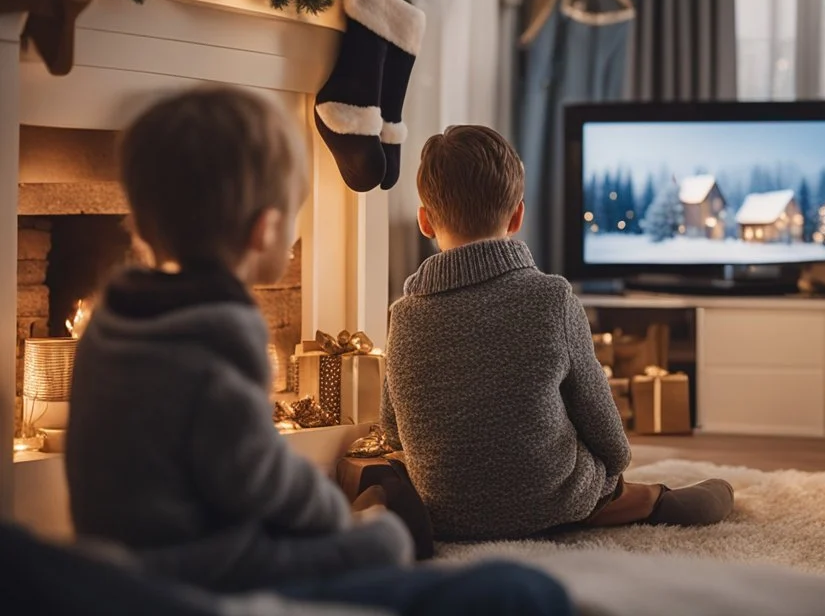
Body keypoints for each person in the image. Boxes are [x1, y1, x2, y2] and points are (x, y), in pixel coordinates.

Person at [66, 86, 572, 616]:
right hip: (208, 579)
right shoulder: (220, 334)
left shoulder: (108, 325)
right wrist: (333, 513)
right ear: (265, 232)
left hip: (120, 563)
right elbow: (260, 478)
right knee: (455, 568)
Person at [381, 124, 734, 541]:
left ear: (425, 221)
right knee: (655, 491)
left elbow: (391, 428)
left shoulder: (402, 316)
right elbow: (607, 433)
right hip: (552, 499)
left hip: (447, 513)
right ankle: (649, 500)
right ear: (517, 215)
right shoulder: (552, 298)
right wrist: (609, 472)